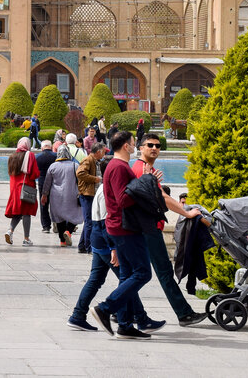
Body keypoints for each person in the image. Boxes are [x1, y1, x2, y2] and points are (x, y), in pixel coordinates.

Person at [132, 133, 206, 326]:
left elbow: (159, 196)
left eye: (157, 145)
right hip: (148, 229)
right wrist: (187, 213)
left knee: (136, 272)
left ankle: (121, 308)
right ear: (141, 147)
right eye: (150, 145)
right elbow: (163, 198)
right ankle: (184, 313)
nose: (154, 148)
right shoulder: (142, 169)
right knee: (163, 271)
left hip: (143, 228)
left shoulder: (147, 169)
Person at [91, 131, 154, 339]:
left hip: (121, 226)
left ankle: (125, 325)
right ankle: (105, 308)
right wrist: (144, 181)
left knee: (127, 275)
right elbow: (123, 200)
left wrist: (144, 179)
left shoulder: (117, 166)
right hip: (124, 227)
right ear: (126, 146)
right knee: (143, 273)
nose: (136, 145)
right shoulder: (118, 167)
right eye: (134, 143)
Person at [68, 184, 154, 331]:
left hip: (98, 239)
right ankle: (139, 318)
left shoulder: (102, 188)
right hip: (106, 242)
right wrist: (113, 247)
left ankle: (78, 315)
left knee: (96, 279)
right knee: (127, 281)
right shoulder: (107, 190)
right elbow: (105, 221)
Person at [41, 141, 81, 247]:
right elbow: (80, 181)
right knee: (76, 214)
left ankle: (62, 241)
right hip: (72, 194)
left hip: (56, 196)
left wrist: (44, 195)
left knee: (59, 218)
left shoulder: (53, 166)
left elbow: (47, 183)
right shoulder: (75, 166)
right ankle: (68, 232)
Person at [4, 137, 39, 247]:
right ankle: (26, 239)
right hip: (26, 187)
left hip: (14, 188)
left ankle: (10, 230)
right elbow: (35, 173)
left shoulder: (12, 156)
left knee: (18, 211)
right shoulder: (30, 155)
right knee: (26, 212)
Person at [76, 143, 106, 253]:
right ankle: (89, 247)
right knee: (89, 221)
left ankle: (82, 245)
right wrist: (94, 179)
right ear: (98, 152)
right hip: (86, 194)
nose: (104, 154)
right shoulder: (88, 160)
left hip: (91, 194)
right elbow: (80, 173)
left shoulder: (95, 161)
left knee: (89, 221)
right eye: (103, 151)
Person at [35, 144, 57, 233]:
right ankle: (57, 224)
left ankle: (46, 226)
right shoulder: (56, 156)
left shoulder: (37, 157)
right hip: (55, 182)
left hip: (42, 181)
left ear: (42, 147)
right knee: (55, 204)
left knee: (43, 204)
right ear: (51, 147)